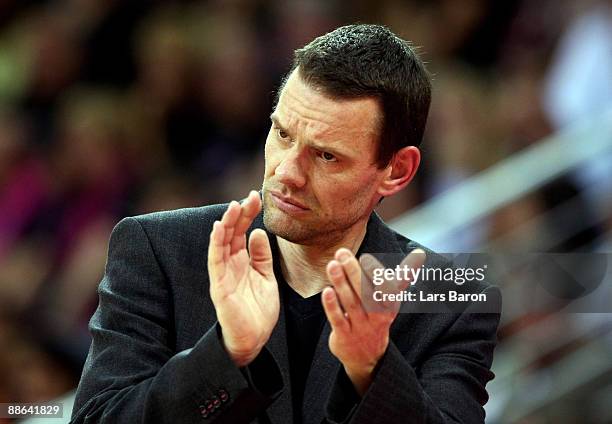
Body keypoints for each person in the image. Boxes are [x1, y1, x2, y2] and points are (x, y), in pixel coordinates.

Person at [71, 24, 501, 424]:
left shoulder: (452, 300)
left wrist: (372, 370)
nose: (287, 172)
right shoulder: (158, 249)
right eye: (282, 135)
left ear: (397, 171)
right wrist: (227, 355)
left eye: (326, 155)